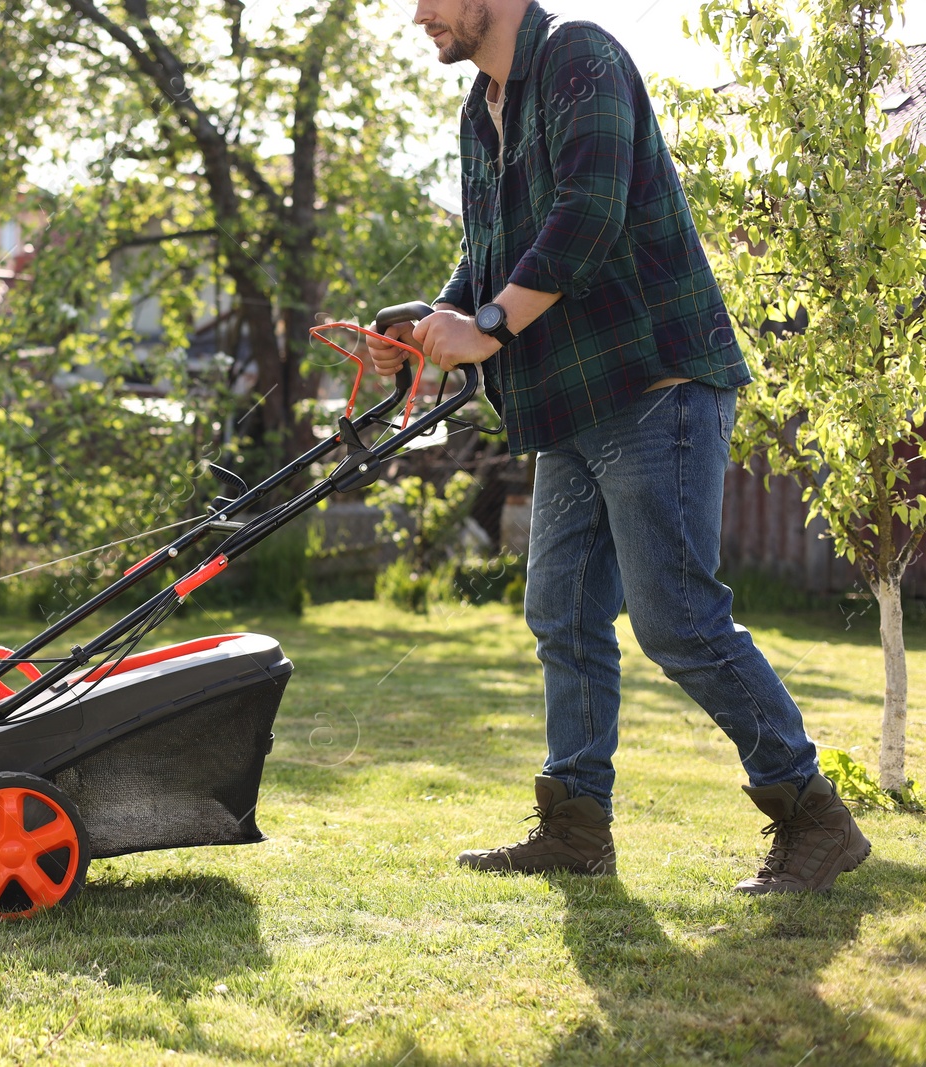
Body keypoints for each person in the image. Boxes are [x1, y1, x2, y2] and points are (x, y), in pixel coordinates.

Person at [367, 0, 869, 893]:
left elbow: (588, 213)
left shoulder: (579, 60)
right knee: (560, 613)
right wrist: (436, 318)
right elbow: (493, 253)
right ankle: (576, 826)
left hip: (654, 384)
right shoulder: (478, 110)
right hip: (571, 405)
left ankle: (813, 813)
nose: (416, 15)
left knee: (676, 618)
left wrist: (487, 324)